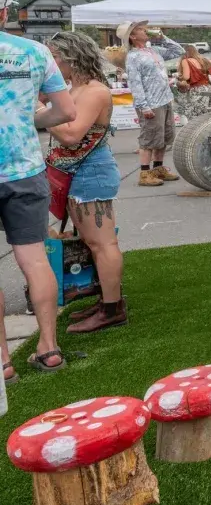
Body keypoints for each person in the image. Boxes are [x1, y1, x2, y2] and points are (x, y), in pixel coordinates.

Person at [1, 0, 77, 378]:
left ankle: (3, 362)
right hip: (25, 169)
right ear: (4, 12)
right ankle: (49, 348)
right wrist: (28, 121)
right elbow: (65, 111)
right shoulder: (33, 52)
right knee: (34, 259)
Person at [45, 32, 128, 334]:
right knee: (92, 242)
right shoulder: (75, 89)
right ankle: (107, 300)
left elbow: (71, 135)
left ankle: (112, 308)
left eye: (53, 56)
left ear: (71, 57)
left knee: (102, 243)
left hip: (90, 173)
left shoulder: (94, 91)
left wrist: (39, 113)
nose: (50, 63)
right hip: (79, 174)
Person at [119, 20, 184, 186]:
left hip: (164, 99)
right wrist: (143, 105)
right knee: (149, 138)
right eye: (141, 29)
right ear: (133, 36)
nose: (146, 31)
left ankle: (158, 168)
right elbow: (135, 82)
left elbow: (179, 50)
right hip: (150, 103)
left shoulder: (153, 50)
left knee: (163, 137)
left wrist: (163, 37)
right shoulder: (133, 57)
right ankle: (144, 172)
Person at [174, 43, 211, 121]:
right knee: (208, 115)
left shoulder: (186, 61)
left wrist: (179, 77)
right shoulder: (204, 60)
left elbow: (187, 77)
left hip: (198, 90)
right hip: (209, 89)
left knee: (196, 117)